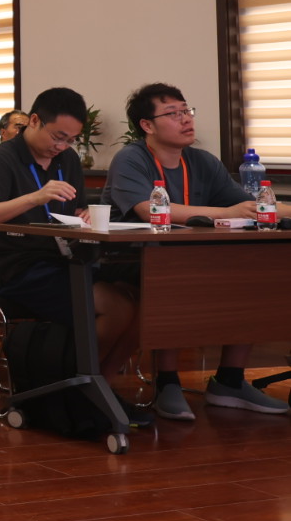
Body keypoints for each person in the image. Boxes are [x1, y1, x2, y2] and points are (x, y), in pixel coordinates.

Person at [103, 83, 289, 419]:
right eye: (172, 114)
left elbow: (252, 205)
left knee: (252, 274)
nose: (186, 119)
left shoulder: (202, 161)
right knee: (177, 274)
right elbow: (149, 210)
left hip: (191, 256)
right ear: (147, 125)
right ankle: (167, 383)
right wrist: (227, 213)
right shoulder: (131, 158)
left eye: (186, 111)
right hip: (130, 257)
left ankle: (230, 380)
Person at [0, 87, 142, 387]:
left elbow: (76, 209)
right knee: (117, 308)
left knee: (141, 302)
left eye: (71, 139)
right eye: (58, 136)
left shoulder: (67, 160)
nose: (62, 146)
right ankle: (78, 385)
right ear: (34, 121)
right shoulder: (2, 158)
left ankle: (99, 386)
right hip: (19, 267)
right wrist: (34, 197)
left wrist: (85, 216)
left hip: (67, 260)